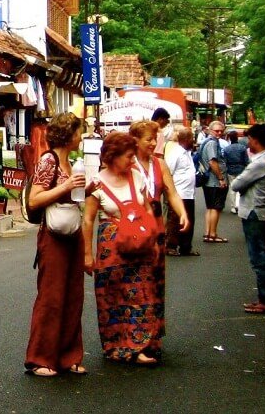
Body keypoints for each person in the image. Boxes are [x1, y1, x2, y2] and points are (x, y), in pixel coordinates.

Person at [83, 131, 175, 366]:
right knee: (111, 298)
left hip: (138, 245)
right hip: (110, 250)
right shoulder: (96, 182)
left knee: (142, 294)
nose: (133, 161)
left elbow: (146, 210)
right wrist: (87, 254)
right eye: (128, 156)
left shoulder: (136, 176)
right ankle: (115, 346)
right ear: (113, 156)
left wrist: (153, 241)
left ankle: (140, 345)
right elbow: (88, 220)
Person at [24, 113, 87, 378]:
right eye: (78, 132)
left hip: (73, 230)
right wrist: (67, 187)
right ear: (68, 134)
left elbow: (72, 195)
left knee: (73, 295)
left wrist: (87, 189)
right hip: (53, 234)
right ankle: (41, 357)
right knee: (51, 296)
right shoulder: (48, 161)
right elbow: (35, 200)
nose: (81, 137)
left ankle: (68, 355)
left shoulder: (71, 163)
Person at [127, 120, 189, 354]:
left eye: (155, 139)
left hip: (156, 228)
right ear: (135, 141)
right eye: (148, 139)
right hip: (134, 228)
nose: (154, 143)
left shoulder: (159, 164)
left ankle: (152, 334)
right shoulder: (128, 163)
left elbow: (171, 192)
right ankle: (134, 335)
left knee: (154, 281)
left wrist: (182, 212)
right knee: (135, 282)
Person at [231, 124, 265, 314]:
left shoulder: (261, 162)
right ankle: (263, 298)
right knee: (258, 257)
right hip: (257, 211)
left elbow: (237, 184)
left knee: (258, 258)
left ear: (256, 141)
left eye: (249, 139)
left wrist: (242, 185)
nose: (247, 142)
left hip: (255, 213)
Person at [164, 127, 199, 256]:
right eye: (192, 139)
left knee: (189, 219)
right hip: (178, 193)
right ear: (186, 139)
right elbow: (168, 172)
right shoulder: (176, 153)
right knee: (175, 220)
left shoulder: (187, 153)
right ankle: (171, 246)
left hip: (189, 193)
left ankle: (186, 247)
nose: (194, 141)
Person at [199, 120, 229, 243]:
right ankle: (212, 233)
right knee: (216, 207)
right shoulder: (212, 143)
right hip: (214, 181)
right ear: (210, 130)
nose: (219, 133)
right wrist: (221, 178)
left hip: (208, 180)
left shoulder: (206, 141)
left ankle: (208, 233)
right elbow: (212, 162)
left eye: (221, 131)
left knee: (210, 207)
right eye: (216, 131)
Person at [222, 130, 250, 214]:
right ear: (237, 138)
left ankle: (233, 207)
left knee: (232, 188)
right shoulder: (242, 148)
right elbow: (246, 160)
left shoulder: (226, 149)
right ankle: (239, 205)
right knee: (240, 188)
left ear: (230, 139)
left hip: (230, 170)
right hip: (241, 169)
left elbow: (225, 161)